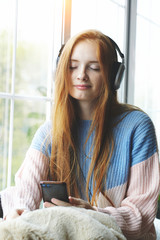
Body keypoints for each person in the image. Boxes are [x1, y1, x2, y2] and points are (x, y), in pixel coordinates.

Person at [0, 29, 159, 239]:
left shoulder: (137, 127)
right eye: (72, 66)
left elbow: (140, 216)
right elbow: (25, 192)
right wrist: (18, 212)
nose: (81, 74)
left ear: (114, 76)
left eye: (94, 67)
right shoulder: (49, 132)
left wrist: (92, 214)